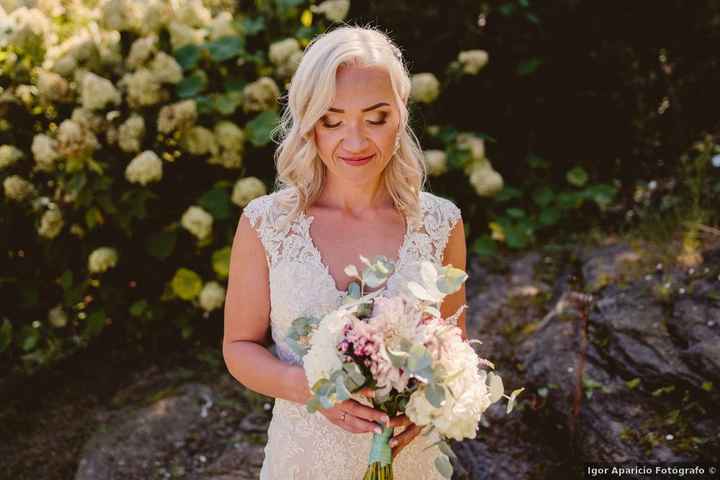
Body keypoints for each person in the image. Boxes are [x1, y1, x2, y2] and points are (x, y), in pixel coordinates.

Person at [222, 24, 468, 479]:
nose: (354, 142)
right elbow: (238, 347)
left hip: (411, 463)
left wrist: (425, 405)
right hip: (304, 461)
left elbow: (452, 347)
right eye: (332, 121)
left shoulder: (440, 224)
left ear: (401, 114)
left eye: (376, 119)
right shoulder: (268, 225)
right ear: (308, 122)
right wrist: (309, 386)